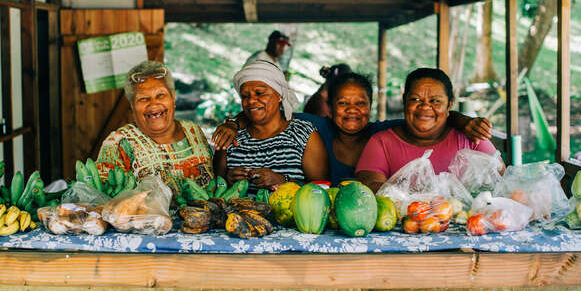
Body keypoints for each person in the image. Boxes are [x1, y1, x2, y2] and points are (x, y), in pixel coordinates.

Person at [213, 71, 492, 186]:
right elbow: (265, 110)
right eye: (343, 103)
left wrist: (463, 121)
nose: (352, 110)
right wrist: (232, 122)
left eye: (360, 103)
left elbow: (429, 117)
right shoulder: (315, 126)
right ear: (330, 109)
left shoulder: (385, 134)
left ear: (371, 107)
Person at [355, 68, 502, 193]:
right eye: (416, 99)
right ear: (404, 101)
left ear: (449, 105)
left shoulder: (472, 138)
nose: (425, 107)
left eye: (435, 101)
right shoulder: (381, 142)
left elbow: (502, 180)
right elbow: (369, 191)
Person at [96, 61, 214, 196]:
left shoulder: (193, 130)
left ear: (173, 97)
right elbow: (103, 198)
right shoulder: (118, 143)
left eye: (160, 95)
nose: (153, 104)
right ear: (132, 106)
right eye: (144, 98)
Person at [213, 60, 329, 193]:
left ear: (279, 95)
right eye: (245, 96)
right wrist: (227, 181)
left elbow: (322, 190)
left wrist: (283, 180)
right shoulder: (231, 137)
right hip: (237, 214)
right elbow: (215, 188)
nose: (251, 101)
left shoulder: (303, 134)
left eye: (259, 93)